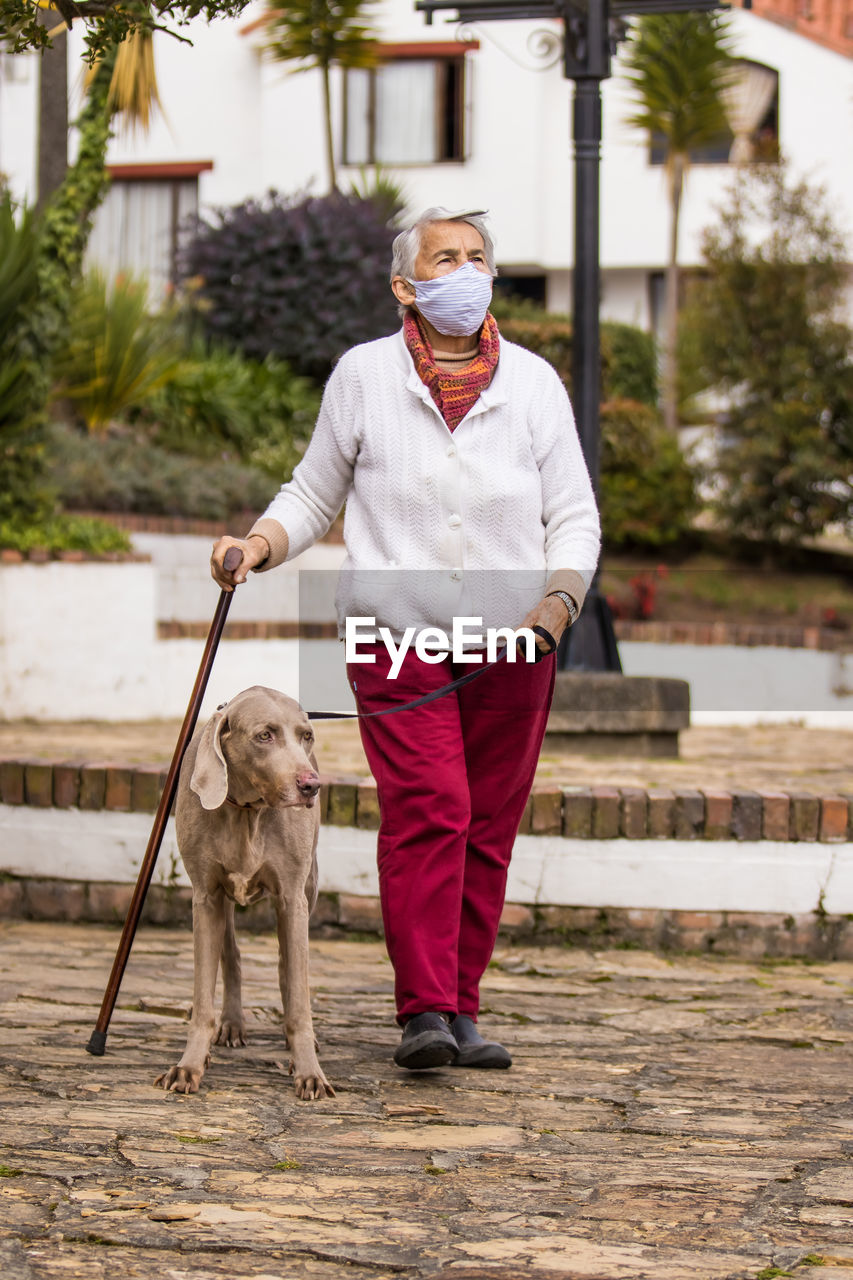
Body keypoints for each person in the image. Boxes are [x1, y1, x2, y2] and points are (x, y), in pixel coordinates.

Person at [211, 207, 600, 1072]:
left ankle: (463, 1007)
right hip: (396, 638)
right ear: (406, 285)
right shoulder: (362, 376)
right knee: (433, 807)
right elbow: (314, 494)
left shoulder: (533, 383)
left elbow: (573, 516)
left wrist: (555, 607)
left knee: (487, 824)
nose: (464, 271)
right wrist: (258, 545)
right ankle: (423, 1009)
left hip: (514, 643)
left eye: (476, 258)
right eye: (444, 258)